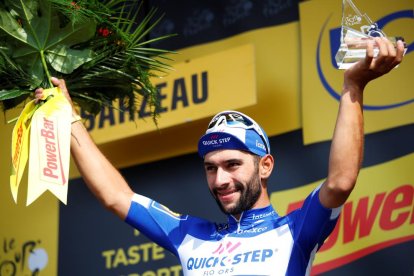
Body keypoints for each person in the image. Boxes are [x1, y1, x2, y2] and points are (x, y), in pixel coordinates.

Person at [36, 37, 405, 275]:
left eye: (232, 165)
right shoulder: (189, 235)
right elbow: (116, 196)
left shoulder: (295, 230)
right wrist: (69, 118)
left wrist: (353, 87)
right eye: (211, 168)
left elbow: (340, 181)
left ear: (266, 165)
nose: (220, 180)